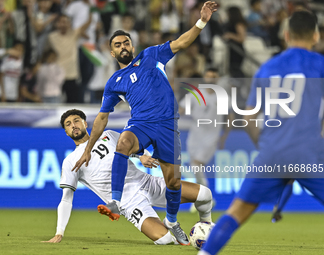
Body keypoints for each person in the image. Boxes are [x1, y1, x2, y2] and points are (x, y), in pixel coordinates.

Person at [72, 1, 217, 246]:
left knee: (173, 182)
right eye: (117, 45)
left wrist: (201, 21)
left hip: (168, 125)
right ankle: (115, 201)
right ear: (112, 53)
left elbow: (181, 42)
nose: (122, 47)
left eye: (125, 42)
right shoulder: (114, 82)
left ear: (132, 45)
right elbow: (102, 118)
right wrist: (87, 149)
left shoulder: (152, 55)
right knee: (124, 143)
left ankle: (171, 220)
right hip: (141, 124)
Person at [199, 11, 324, 255]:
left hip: (272, 153)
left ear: (286, 36)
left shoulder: (267, 68)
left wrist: (269, 149)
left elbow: (247, 118)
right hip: (310, 153)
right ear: (316, 36)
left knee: (236, 212)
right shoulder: (319, 65)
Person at [42, 109, 214, 245]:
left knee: (205, 194)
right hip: (129, 202)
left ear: (85, 123)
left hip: (146, 182)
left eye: (76, 120)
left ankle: (206, 226)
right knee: (164, 240)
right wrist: (59, 232)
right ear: (66, 132)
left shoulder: (107, 134)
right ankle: (176, 230)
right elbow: (66, 199)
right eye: (68, 124)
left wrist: (141, 156)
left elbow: (130, 147)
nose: (74, 125)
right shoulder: (70, 161)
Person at [223, 6, 247, 78]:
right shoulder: (230, 23)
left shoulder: (238, 24)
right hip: (232, 49)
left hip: (237, 50)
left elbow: (242, 38)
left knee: (236, 69)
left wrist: (231, 35)